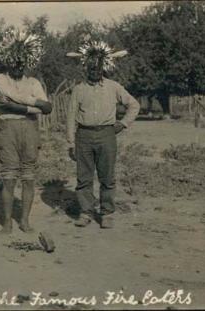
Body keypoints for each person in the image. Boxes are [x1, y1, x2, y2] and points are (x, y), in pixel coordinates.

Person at [66, 40, 140, 229]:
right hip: (83, 136)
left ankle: (106, 213)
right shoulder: (78, 89)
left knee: (107, 176)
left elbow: (134, 105)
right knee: (84, 177)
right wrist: (71, 143)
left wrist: (122, 124)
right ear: (86, 68)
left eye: (98, 68)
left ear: (104, 68)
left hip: (107, 135)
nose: (95, 71)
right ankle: (86, 212)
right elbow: (71, 116)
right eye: (91, 68)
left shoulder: (113, 87)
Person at [0, 28, 53, 234]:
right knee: (9, 176)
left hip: (30, 129)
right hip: (8, 128)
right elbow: (10, 100)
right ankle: (7, 221)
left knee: (28, 176)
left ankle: (25, 220)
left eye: (21, 62)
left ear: (26, 62)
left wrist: (20, 106)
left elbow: (48, 107)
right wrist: (34, 106)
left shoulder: (33, 82)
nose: (18, 65)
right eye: (14, 61)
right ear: (7, 60)